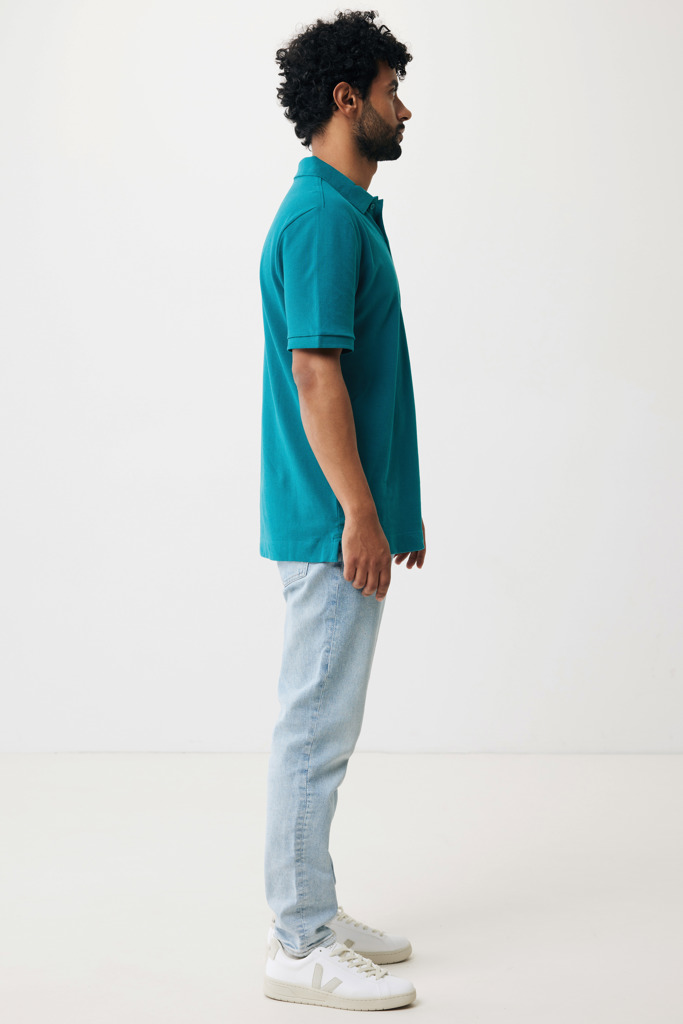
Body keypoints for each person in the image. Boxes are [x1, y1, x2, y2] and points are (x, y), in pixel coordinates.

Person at [258, 10, 426, 1011]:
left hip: (345, 521)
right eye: (392, 91)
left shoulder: (342, 210)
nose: (404, 110)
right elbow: (315, 377)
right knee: (312, 732)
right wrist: (358, 515)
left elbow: (362, 382)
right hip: (330, 528)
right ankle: (298, 941)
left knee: (324, 726)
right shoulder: (322, 217)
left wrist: (391, 511)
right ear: (345, 97)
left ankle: (313, 909)